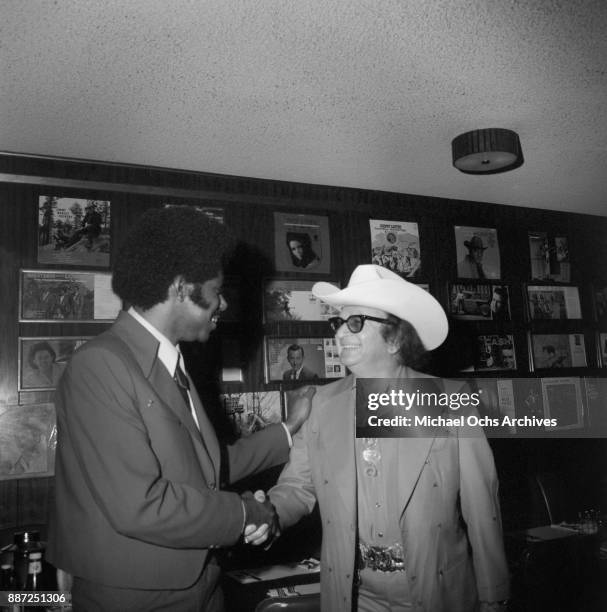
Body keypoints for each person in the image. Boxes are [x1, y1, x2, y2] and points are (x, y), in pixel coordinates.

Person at [47, 206, 313, 612]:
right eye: (216, 291)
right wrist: (244, 512)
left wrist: (289, 429)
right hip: (138, 596)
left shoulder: (170, 362)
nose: (222, 304)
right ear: (180, 287)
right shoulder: (100, 364)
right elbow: (139, 504)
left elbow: (205, 466)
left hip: (202, 582)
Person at [259, 265, 510, 611]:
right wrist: (268, 513)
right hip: (355, 597)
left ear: (394, 339)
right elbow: (297, 487)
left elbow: (482, 506)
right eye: (338, 322)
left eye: (356, 322)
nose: (340, 333)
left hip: (436, 592)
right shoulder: (321, 406)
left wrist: (493, 593)